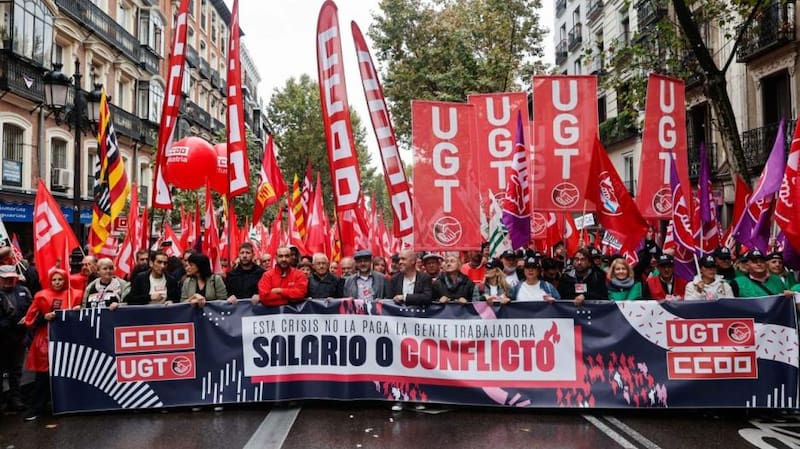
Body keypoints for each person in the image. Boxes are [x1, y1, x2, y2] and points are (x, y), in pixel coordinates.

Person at [23, 268, 82, 421]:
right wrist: (44, 317)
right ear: (50, 280)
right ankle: (37, 408)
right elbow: (30, 320)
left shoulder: (75, 294)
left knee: (70, 374)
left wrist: (78, 311)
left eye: (60, 279)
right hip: (45, 342)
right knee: (42, 378)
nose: (57, 282)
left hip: (69, 341)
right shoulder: (41, 296)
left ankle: (70, 405)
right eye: (54, 279)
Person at [0, 265, 32, 412]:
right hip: (2, 338)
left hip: (19, 338)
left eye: (11, 278)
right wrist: (9, 322)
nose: (9, 281)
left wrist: (28, 318)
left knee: (16, 370)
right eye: (5, 279)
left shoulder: (23, 291)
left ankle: (15, 398)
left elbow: (32, 309)